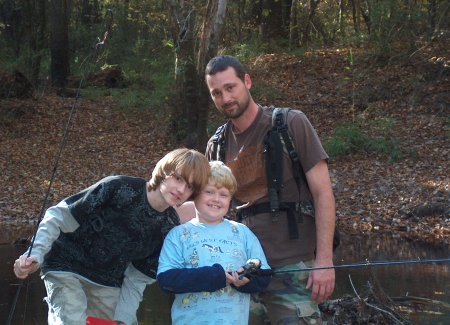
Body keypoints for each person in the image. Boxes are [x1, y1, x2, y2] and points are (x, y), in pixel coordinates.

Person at [197, 55, 336, 324]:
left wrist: (324, 261)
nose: (225, 98)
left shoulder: (290, 124)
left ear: (247, 81)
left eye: (230, 87)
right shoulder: (215, 145)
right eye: (216, 93)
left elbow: (323, 194)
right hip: (240, 271)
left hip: (293, 266)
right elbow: (208, 212)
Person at [13, 148, 211, 325]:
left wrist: (123, 318)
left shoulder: (169, 227)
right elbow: (58, 215)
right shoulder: (118, 188)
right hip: (65, 265)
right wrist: (36, 254)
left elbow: (136, 279)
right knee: (71, 320)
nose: (181, 190)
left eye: (190, 187)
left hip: (108, 283)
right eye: (178, 178)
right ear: (164, 171)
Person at [157, 161, 271, 325]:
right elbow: (166, 281)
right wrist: (213, 277)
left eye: (223, 194)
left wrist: (248, 279)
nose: (216, 199)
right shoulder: (178, 234)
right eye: (209, 192)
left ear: (230, 199)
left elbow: (264, 274)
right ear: (194, 194)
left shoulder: (243, 233)